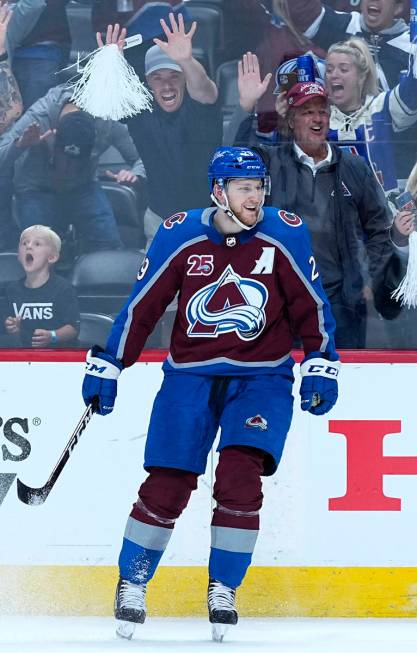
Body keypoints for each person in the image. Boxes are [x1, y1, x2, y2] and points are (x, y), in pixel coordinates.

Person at [81, 146, 340, 641]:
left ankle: (223, 587)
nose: (255, 195)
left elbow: (313, 304)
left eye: (259, 185)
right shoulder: (180, 233)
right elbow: (144, 304)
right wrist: (110, 361)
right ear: (217, 192)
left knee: (242, 478)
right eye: (244, 187)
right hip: (190, 377)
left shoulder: (283, 231)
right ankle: (132, 583)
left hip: (262, 378)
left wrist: (322, 362)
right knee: (168, 481)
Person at [228, 62, 402, 346]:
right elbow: (233, 169)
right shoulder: (271, 162)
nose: (317, 119)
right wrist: (246, 108)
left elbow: (379, 228)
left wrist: (373, 278)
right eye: (307, 112)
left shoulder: (354, 167)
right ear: (291, 121)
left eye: (322, 111)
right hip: (281, 301)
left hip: (343, 302)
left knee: (345, 382)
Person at [0, 85, 146, 253]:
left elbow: (143, 157)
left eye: (74, 164)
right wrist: (19, 145)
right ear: (54, 136)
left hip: (82, 184)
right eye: (64, 162)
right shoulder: (39, 117)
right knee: (36, 256)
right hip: (36, 187)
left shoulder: (108, 120)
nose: (66, 170)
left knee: (110, 248)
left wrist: (135, 174)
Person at [120, 14, 222, 248]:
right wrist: (111, 61)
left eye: (174, 76)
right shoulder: (140, 111)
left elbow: (205, 88)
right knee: (156, 285)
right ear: (147, 81)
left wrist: (186, 60)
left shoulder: (201, 107)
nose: (166, 85)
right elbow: (100, 97)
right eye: (157, 78)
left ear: (185, 78)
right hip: (159, 222)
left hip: (207, 221)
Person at [4, 224, 80, 348]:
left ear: (52, 257)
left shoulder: (63, 288)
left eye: (37, 244)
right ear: (18, 256)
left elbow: (73, 328)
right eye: (24, 243)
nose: (29, 246)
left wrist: (53, 336)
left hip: (58, 357)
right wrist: (12, 327)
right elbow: (9, 327)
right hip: (22, 357)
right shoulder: (12, 290)